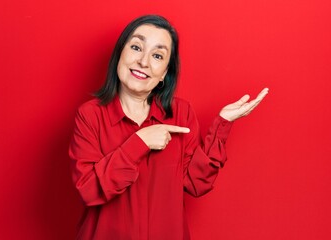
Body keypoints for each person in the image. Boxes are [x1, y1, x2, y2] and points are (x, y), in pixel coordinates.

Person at [69, 15, 268, 240]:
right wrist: (140, 142)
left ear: (164, 73)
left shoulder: (181, 114)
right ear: (119, 55)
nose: (143, 62)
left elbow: (196, 183)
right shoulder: (90, 115)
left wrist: (223, 123)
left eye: (157, 55)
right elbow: (89, 190)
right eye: (136, 47)